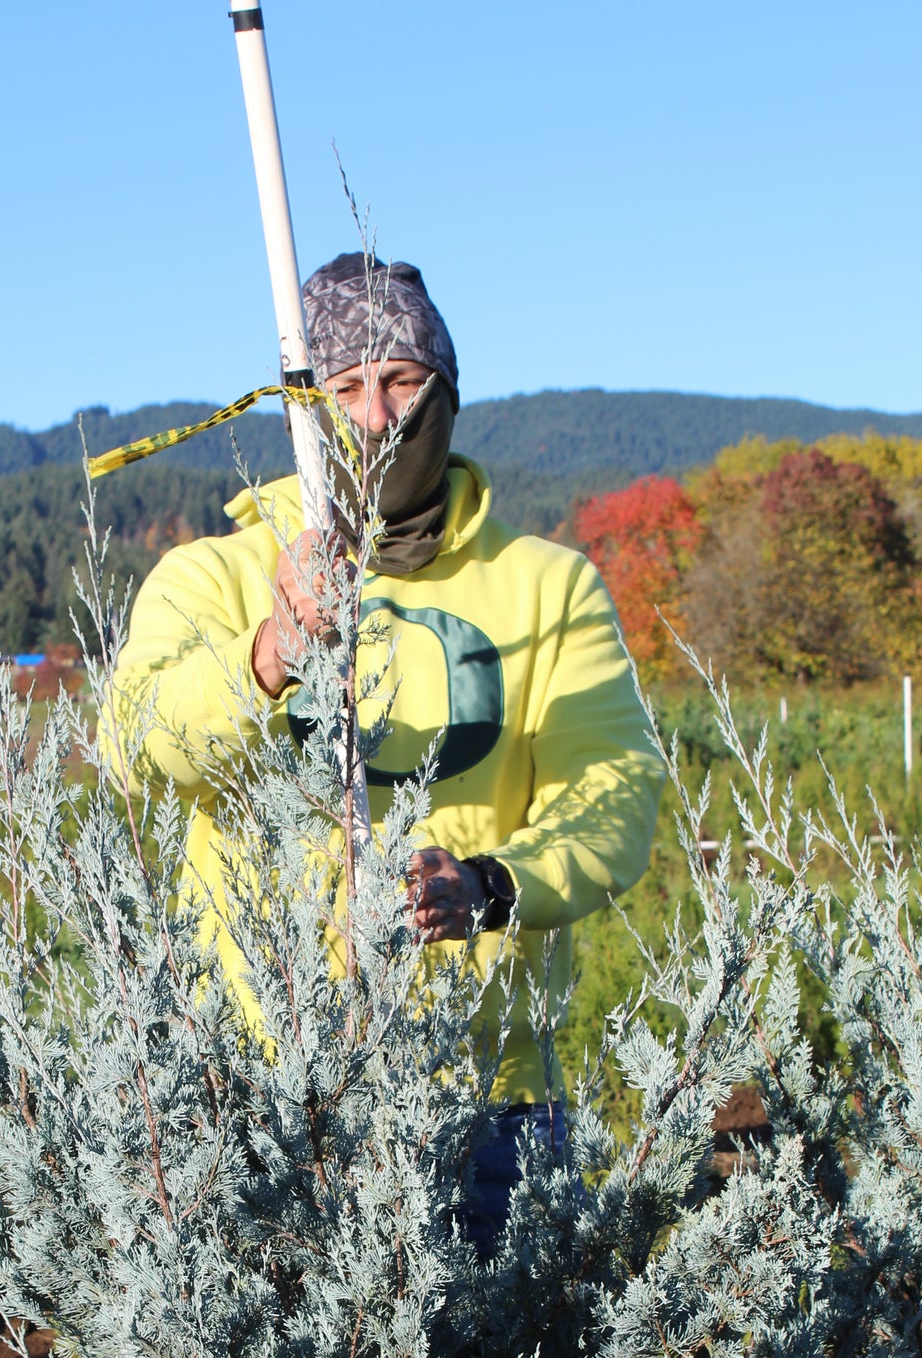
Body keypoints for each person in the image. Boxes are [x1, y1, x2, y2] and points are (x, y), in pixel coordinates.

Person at [110, 253, 664, 1251]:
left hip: (488, 1097)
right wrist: (270, 651)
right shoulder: (216, 577)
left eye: (403, 381)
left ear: (445, 391)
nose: (376, 415)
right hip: (260, 1089)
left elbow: (612, 788)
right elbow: (136, 741)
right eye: (346, 387)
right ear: (302, 407)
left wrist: (496, 883)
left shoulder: (548, 587)